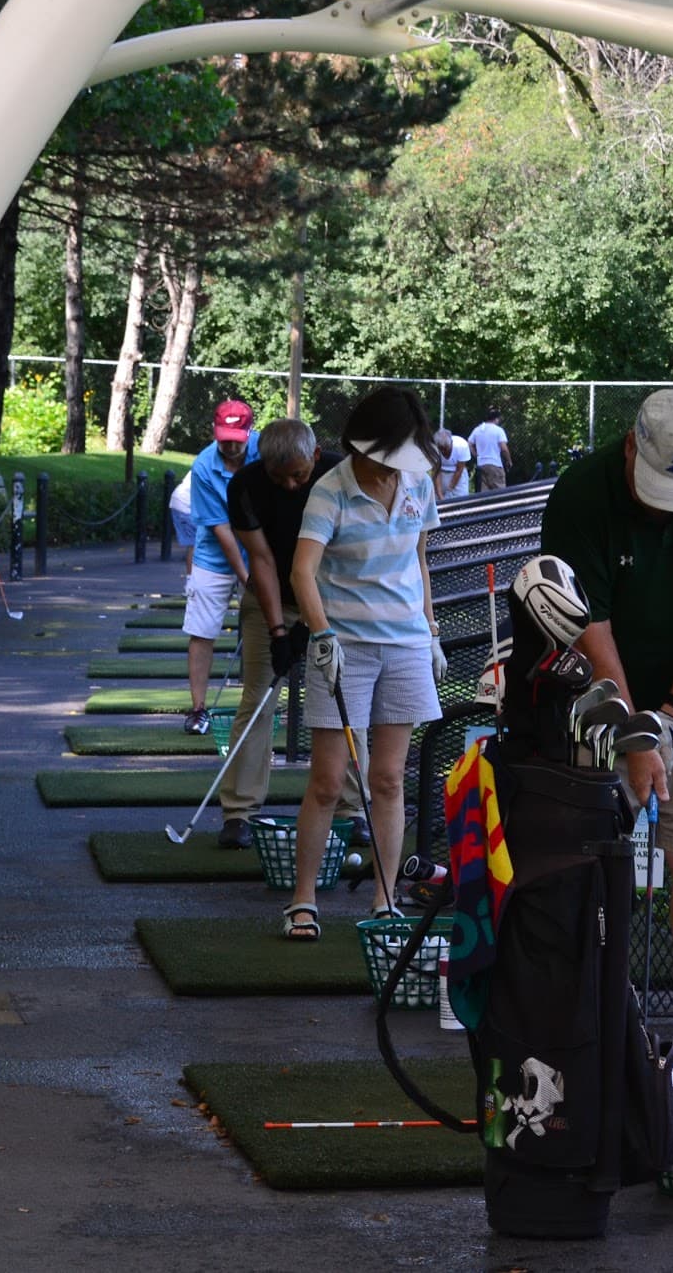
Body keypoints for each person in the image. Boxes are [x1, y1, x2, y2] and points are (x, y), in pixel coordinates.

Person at [540, 389, 673, 1073]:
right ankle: (587, 1020)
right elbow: (589, 623)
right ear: (632, 445)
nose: (666, 508)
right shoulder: (582, 493)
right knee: (583, 868)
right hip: (594, 708)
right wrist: (636, 733)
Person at [281, 387, 446, 940]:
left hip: (406, 645)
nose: (392, 466)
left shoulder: (418, 481)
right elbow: (302, 571)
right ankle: (303, 899)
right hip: (344, 647)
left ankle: (384, 899)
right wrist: (322, 633)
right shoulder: (332, 489)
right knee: (329, 781)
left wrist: (432, 632)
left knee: (389, 778)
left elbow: (419, 561)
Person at [218, 419, 367, 851]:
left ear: (315, 456)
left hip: (333, 596)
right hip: (271, 598)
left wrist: (312, 622)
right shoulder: (245, 486)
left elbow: (347, 554)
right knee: (258, 699)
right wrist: (279, 632)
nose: (288, 485)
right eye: (277, 476)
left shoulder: (342, 475)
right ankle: (239, 812)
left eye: (298, 476)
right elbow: (261, 560)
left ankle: (353, 809)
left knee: (344, 697)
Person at [181, 399, 260, 735]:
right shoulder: (203, 466)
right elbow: (222, 530)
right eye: (224, 439)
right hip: (213, 556)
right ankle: (198, 709)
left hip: (260, 551)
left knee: (263, 630)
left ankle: (257, 708)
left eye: (236, 440)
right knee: (202, 631)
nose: (230, 446)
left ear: (249, 431)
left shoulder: (265, 452)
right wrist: (245, 578)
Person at [466, 407, 513, 492]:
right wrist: (509, 461)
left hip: (481, 464)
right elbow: (504, 449)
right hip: (495, 464)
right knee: (500, 492)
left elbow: (469, 443)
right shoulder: (498, 430)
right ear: (496, 419)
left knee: (485, 493)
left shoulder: (478, 429)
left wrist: (476, 455)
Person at [167, 469, 195, 573]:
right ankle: (192, 578)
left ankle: (192, 577)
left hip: (181, 502)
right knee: (197, 545)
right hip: (186, 505)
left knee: (195, 545)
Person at [432, 427, 468, 498]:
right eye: (440, 449)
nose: (443, 452)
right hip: (441, 475)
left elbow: (459, 470)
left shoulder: (461, 446)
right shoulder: (434, 449)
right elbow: (436, 472)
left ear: (451, 443)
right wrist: (440, 495)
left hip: (458, 477)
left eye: (445, 449)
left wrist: (449, 490)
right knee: (439, 500)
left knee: (460, 500)